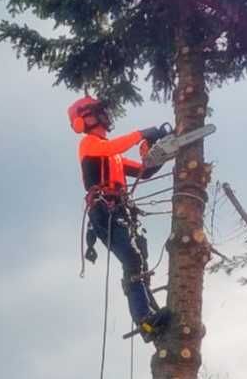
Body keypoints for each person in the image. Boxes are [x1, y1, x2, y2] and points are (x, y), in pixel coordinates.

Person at [68, 94, 173, 342]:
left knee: (139, 260)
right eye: (98, 113)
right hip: (103, 210)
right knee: (131, 258)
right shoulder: (90, 144)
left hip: (120, 209)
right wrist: (141, 133)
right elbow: (112, 146)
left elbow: (143, 172)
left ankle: (153, 316)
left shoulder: (113, 155)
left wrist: (158, 153)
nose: (105, 116)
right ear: (85, 120)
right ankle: (144, 319)